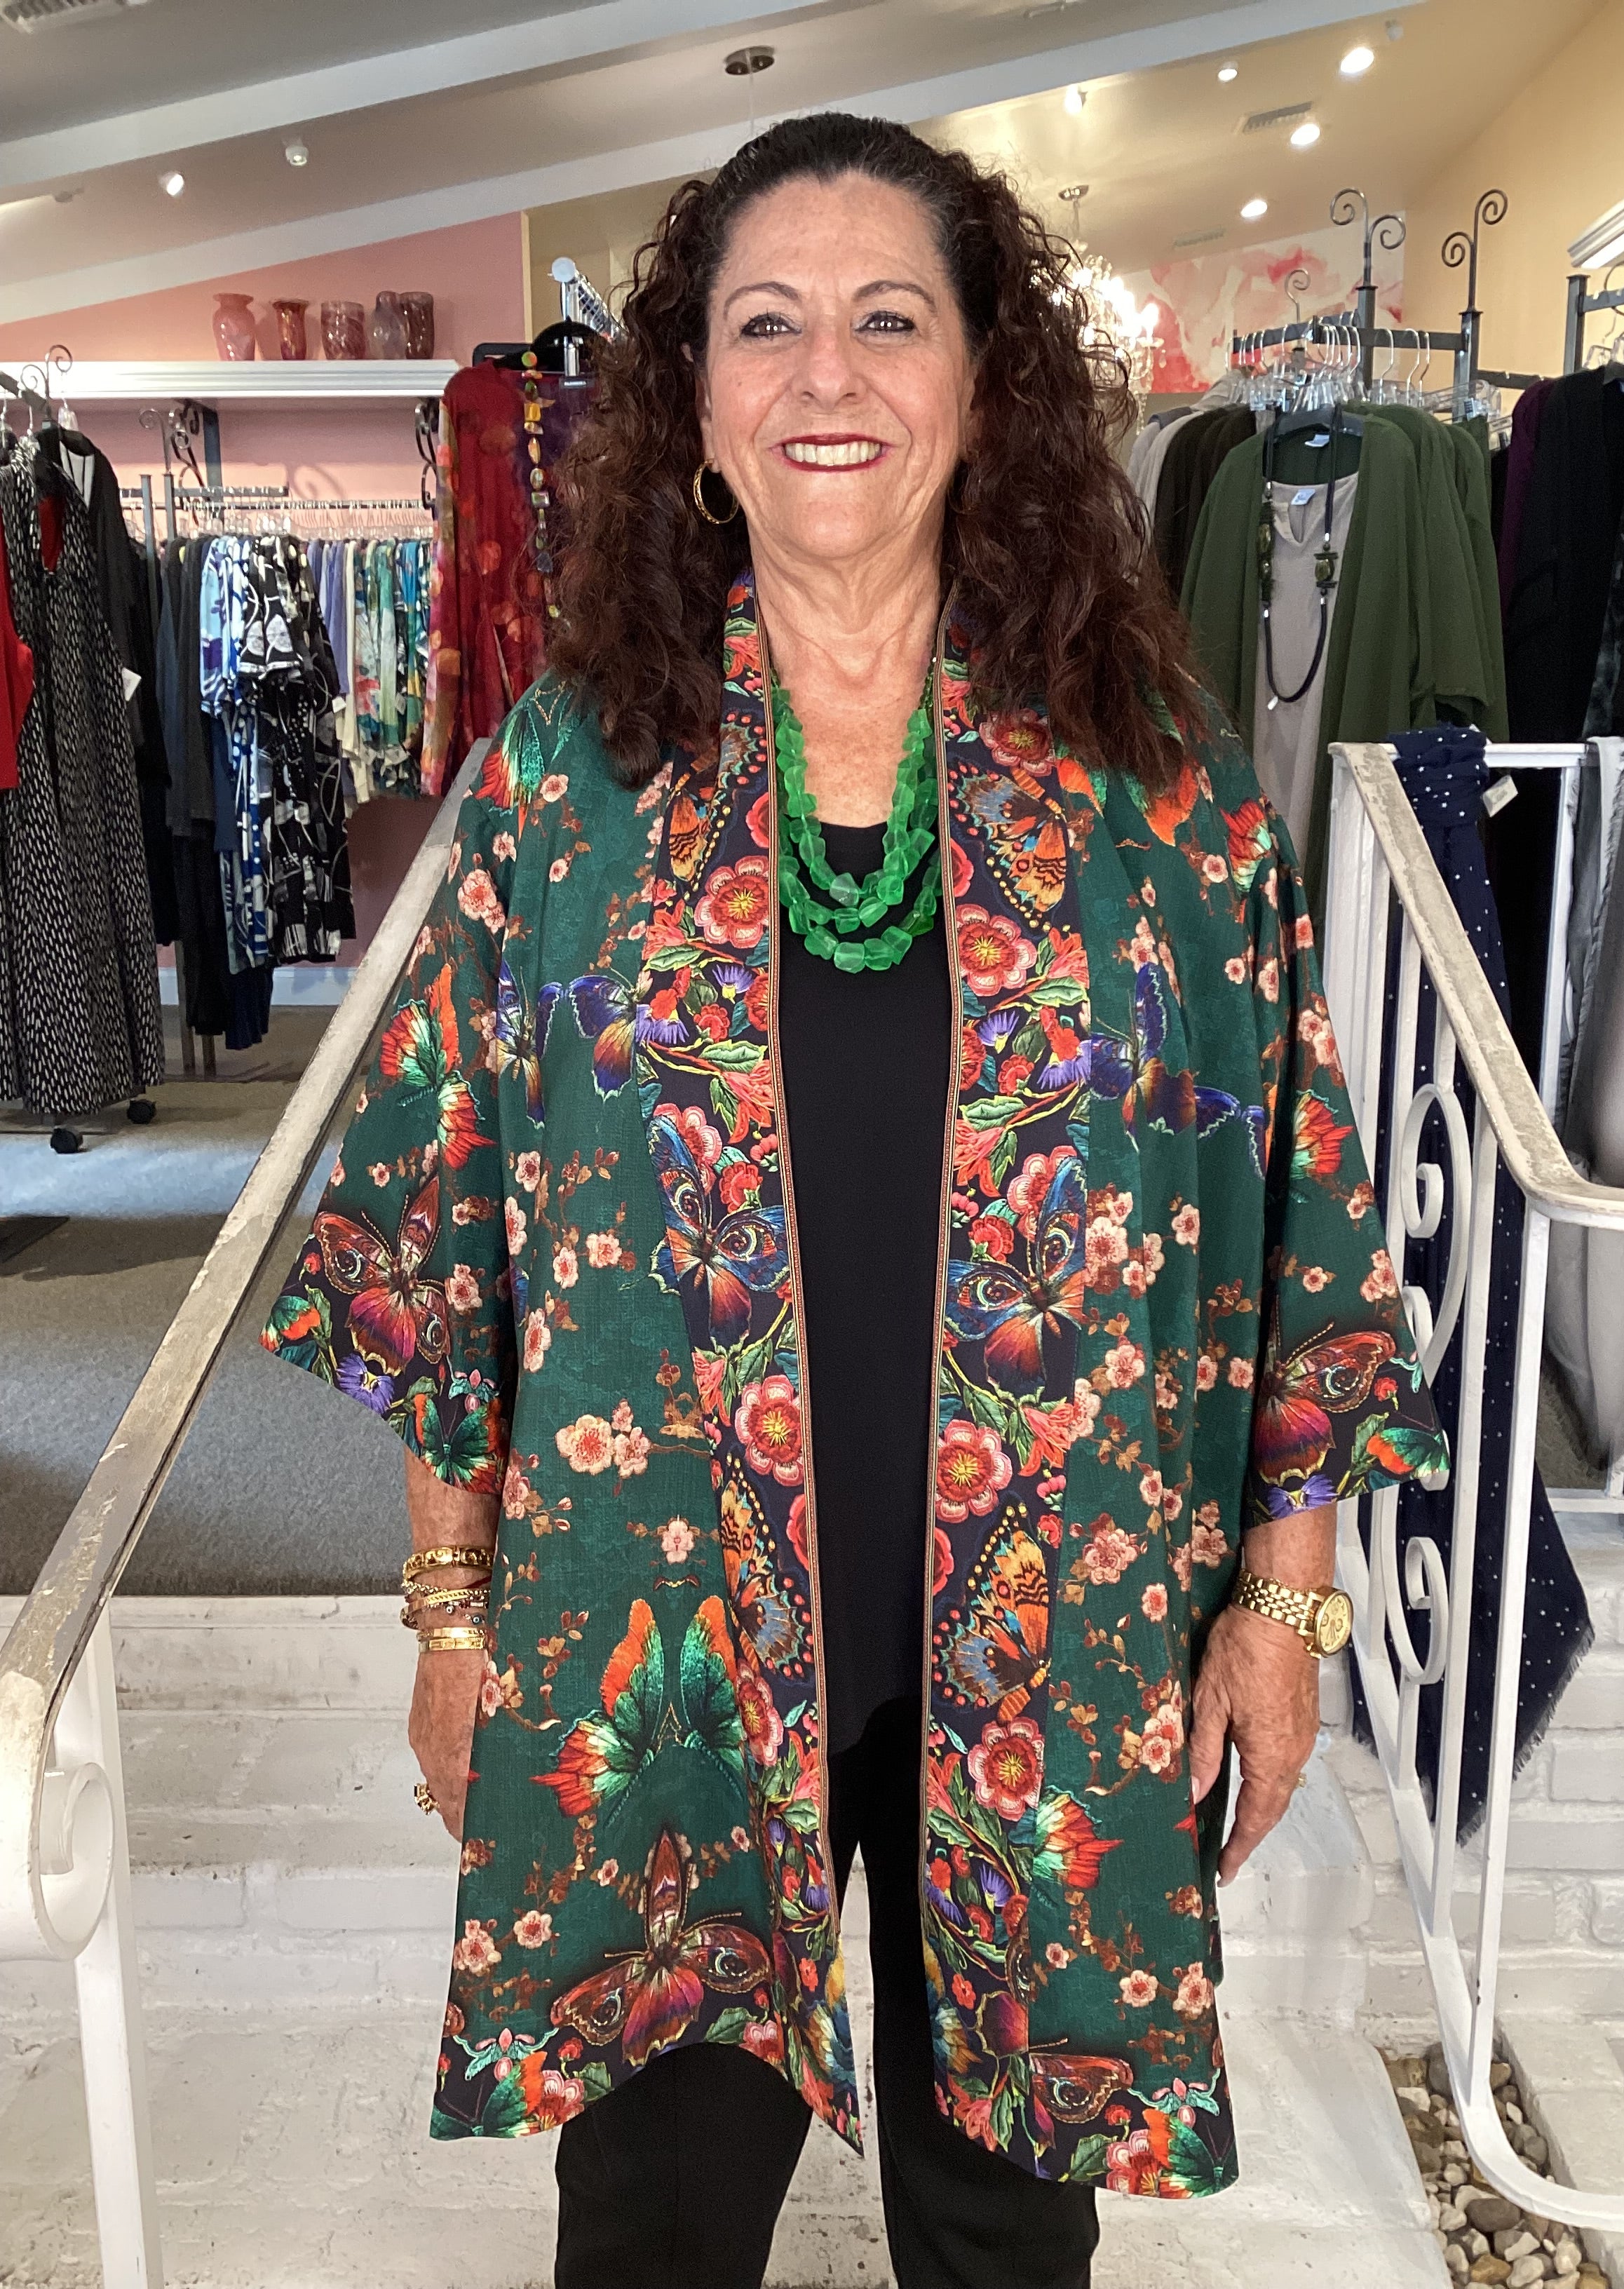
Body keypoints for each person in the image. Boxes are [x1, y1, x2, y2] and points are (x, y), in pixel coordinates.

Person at [262, 111, 1445, 2289]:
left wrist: (1280, 1611)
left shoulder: (1155, 790)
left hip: (1053, 1634)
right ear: (696, 407)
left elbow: (1299, 1218)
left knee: (1003, 2229)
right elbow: (448, 1224)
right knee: (653, 2216)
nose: (829, 376)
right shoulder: (568, 783)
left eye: (891, 321)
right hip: (666, 1639)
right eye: (768, 327)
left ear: (984, 388)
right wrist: (450, 1612)